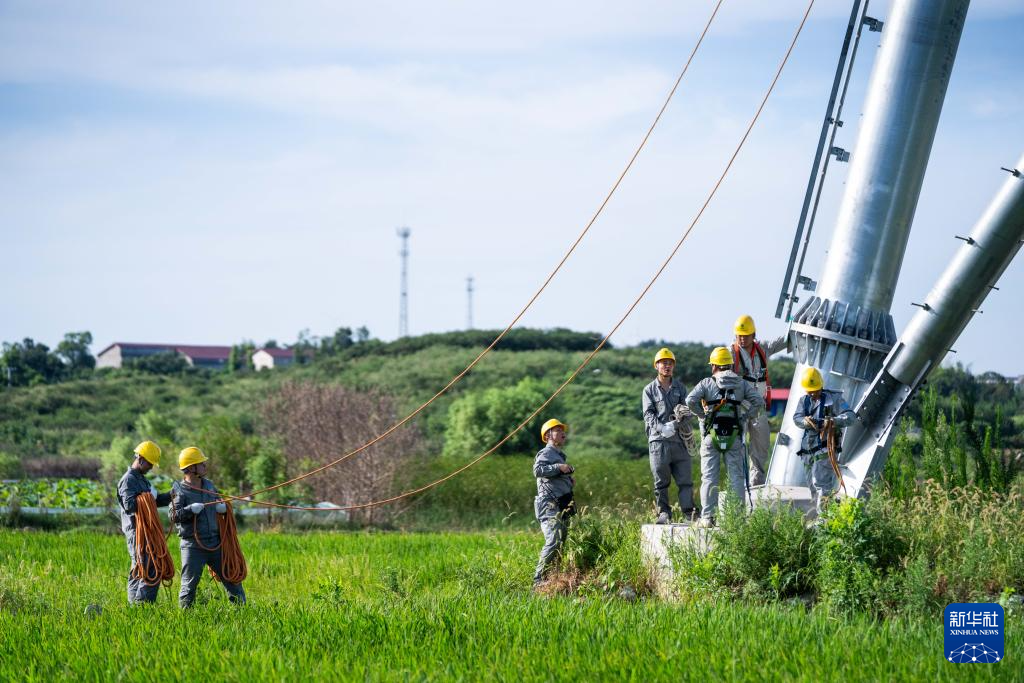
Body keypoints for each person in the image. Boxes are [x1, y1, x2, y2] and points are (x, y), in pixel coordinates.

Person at [686, 347, 763, 528]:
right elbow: (758, 402)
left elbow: (690, 400)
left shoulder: (707, 383)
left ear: (714, 365)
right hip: (734, 435)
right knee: (736, 477)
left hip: (711, 436)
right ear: (730, 364)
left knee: (709, 477)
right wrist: (745, 417)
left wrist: (703, 416)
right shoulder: (742, 383)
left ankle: (708, 518)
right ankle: (736, 519)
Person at [170, 446, 246, 608]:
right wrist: (189, 510)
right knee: (188, 586)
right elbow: (173, 516)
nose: (205, 466)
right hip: (193, 546)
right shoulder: (179, 490)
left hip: (215, 543)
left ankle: (242, 611)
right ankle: (184, 618)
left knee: (232, 579)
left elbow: (219, 501)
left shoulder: (210, 485)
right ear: (191, 468)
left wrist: (223, 508)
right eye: (201, 463)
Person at [731, 315, 788, 486]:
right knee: (737, 447)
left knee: (761, 445)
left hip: (758, 408)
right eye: (739, 335)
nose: (742, 338)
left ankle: (756, 483)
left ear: (753, 334)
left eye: (746, 335)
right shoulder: (730, 353)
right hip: (739, 407)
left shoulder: (762, 349)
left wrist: (796, 324)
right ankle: (738, 485)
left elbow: (783, 341)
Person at [641, 347, 696, 524]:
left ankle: (690, 513)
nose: (667, 366)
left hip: (679, 441)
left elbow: (688, 412)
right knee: (660, 482)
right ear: (656, 366)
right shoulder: (649, 390)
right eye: (663, 363)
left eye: (670, 363)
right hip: (658, 442)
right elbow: (648, 414)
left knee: (685, 481)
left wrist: (675, 424)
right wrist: (662, 428)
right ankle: (663, 513)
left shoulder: (680, 388)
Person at [792, 367, 855, 515]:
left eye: (815, 390)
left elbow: (851, 417)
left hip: (825, 448)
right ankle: (823, 514)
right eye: (810, 391)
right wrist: (806, 422)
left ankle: (824, 519)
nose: (812, 394)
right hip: (807, 451)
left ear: (821, 386)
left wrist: (833, 421)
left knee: (821, 485)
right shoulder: (804, 401)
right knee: (812, 486)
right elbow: (796, 418)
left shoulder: (834, 399)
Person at [116, 440, 173, 604]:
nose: (151, 467)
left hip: (147, 532)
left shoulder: (141, 479)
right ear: (140, 458)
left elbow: (154, 502)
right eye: (150, 463)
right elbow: (130, 505)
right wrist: (148, 496)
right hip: (137, 533)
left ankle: (134, 606)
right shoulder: (128, 480)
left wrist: (171, 494)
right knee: (150, 568)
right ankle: (142, 606)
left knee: (139, 569)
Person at [532, 418, 575, 588]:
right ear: (548, 435)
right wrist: (559, 467)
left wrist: (568, 479)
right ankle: (538, 579)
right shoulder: (546, 453)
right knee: (554, 539)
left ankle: (553, 578)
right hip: (548, 504)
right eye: (558, 430)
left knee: (561, 540)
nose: (563, 433)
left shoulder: (558, 455)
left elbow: (554, 477)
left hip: (561, 503)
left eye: (562, 430)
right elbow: (537, 470)